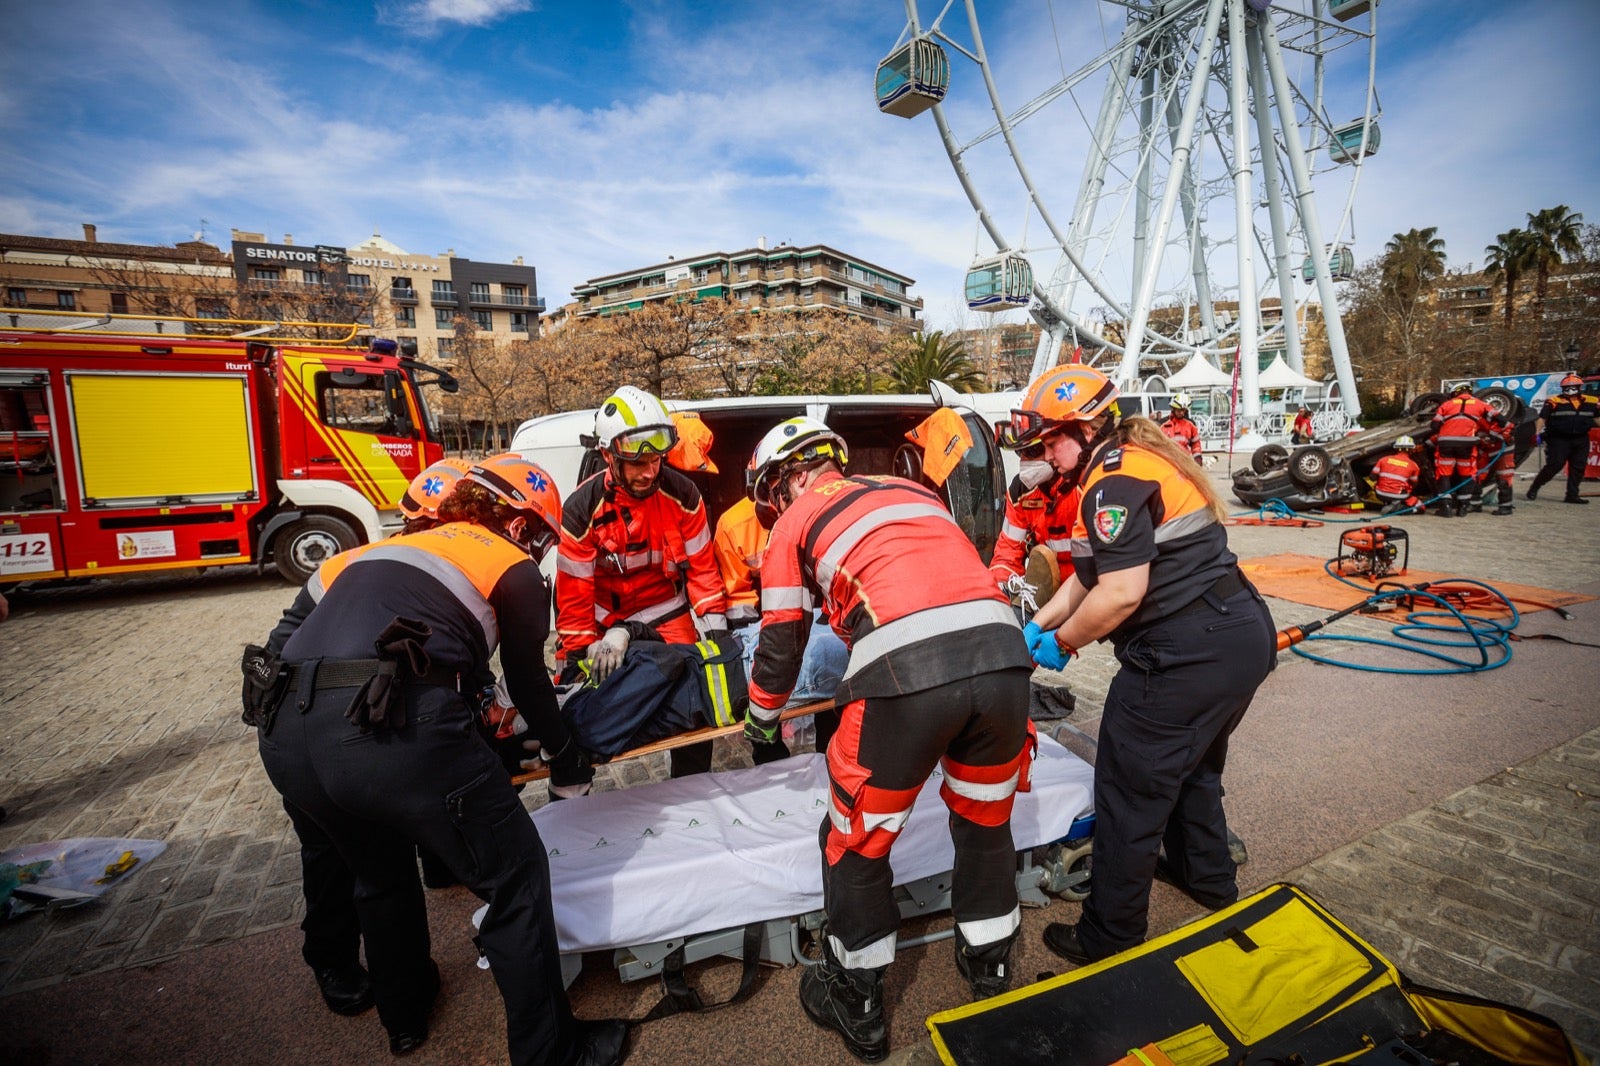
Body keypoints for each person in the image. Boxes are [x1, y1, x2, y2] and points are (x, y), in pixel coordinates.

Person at [252, 455, 627, 1065]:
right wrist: (564, 755)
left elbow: (277, 651)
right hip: (391, 730)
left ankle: (405, 1013)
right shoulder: (509, 565)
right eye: (540, 538)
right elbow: (527, 682)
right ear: (519, 523)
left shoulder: (359, 555)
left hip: (288, 739)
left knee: (378, 872)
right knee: (515, 876)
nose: (539, 551)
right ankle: (554, 1053)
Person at [743, 416, 1035, 1062]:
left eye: (770, 498)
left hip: (905, 678)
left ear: (786, 480)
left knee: (855, 839)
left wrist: (762, 714)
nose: (773, 512)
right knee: (986, 821)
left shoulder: (793, 522)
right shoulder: (913, 492)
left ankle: (858, 1000)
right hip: (1003, 661)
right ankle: (988, 969)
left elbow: (783, 635)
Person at [1010, 364, 1275, 967]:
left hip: (1185, 654)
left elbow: (1120, 594)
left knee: (1129, 791)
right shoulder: (1130, 461)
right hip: (1235, 636)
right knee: (1193, 769)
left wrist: (1064, 644)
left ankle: (1109, 936)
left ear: (1084, 428)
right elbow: (1088, 577)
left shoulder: (1110, 484)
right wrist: (1039, 624)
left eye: (1050, 441)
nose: (1044, 456)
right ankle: (1206, 880)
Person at [556, 386, 729, 782]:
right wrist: (578, 656)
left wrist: (717, 637)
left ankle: (690, 788)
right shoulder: (582, 509)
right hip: (603, 622)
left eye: (655, 461)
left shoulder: (683, 495)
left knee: (696, 698)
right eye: (636, 463)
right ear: (608, 456)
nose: (649, 472)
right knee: (583, 710)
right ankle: (572, 796)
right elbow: (573, 597)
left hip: (666, 613)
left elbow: (703, 573)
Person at [990, 433, 1081, 615]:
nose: (1024, 460)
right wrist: (998, 593)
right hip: (1042, 594)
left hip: (1084, 588)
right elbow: (1007, 555)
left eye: (1032, 451)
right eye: (1020, 452)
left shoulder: (1082, 487)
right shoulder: (1020, 493)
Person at [1527, 373, 1598, 505]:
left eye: (1573, 386)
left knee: (1578, 467)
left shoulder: (1591, 401)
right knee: (1555, 465)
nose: (1570, 389)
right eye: (1567, 387)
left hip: (1581, 439)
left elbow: (1597, 418)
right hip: (1558, 439)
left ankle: (1572, 495)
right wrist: (1536, 433)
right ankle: (1535, 486)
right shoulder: (1553, 401)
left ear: (1579, 387)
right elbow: (1542, 418)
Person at [1430, 383, 1496, 516]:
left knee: (1444, 474)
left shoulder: (1446, 405)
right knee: (1466, 474)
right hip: (1467, 445)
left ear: (1455, 393)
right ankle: (1463, 508)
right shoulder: (1480, 404)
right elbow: (1498, 417)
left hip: (1446, 444)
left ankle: (1445, 508)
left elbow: (1434, 425)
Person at [1372, 436, 1424, 515]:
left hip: (1380, 493)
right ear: (1411, 449)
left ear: (1396, 448)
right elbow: (1414, 484)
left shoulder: (1383, 459)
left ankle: (1389, 503)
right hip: (1398, 495)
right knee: (1421, 507)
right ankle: (1395, 509)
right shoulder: (1413, 465)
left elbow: (1372, 477)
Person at [1160, 393, 1203, 463]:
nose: (1182, 413)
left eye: (1183, 410)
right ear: (1173, 409)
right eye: (1179, 410)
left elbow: (1195, 443)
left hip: (1185, 461)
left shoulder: (1190, 425)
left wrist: (1197, 457)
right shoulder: (1163, 425)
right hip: (1168, 462)